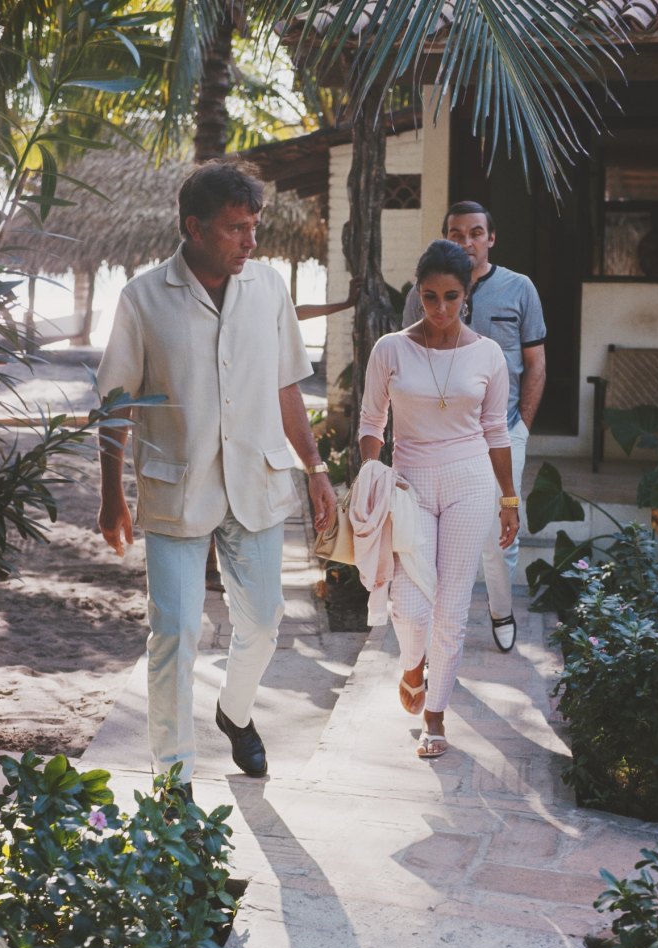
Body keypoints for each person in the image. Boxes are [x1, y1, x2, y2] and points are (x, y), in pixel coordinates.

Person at [96, 159, 336, 800]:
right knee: (174, 633)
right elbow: (115, 405)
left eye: (254, 226)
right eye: (236, 228)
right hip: (178, 488)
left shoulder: (269, 288)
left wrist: (316, 469)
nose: (250, 241)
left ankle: (234, 711)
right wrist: (111, 494)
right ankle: (172, 778)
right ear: (194, 227)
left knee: (264, 621)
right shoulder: (143, 298)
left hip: (256, 481)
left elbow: (287, 386)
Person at [359, 240, 519, 758]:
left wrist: (509, 499)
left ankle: (436, 716)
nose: (441, 309)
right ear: (418, 293)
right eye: (430, 297)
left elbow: (496, 430)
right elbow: (371, 421)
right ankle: (412, 666)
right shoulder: (390, 349)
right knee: (409, 604)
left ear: (466, 294)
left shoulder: (488, 354)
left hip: (471, 482)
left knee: (451, 607)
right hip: (410, 485)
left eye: (452, 297)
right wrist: (370, 475)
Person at [402, 201, 546, 653]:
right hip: (441, 439)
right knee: (435, 538)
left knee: (497, 536)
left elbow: (536, 363)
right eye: (456, 233)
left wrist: (522, 426)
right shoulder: (422, 292)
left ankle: (501, 609)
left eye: (476, 233)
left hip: (503, 430)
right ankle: (436, 629)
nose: (466, 241)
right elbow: (407, 363)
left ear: (491, 238)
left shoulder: (519, 288)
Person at [205, 275, 361, 592]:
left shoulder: (261, 291)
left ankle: (225, 569)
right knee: (208, 486)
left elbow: (295, 311)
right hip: (210, 407)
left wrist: (344, 304)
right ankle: (209, 566)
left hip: (248, 414)